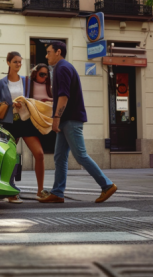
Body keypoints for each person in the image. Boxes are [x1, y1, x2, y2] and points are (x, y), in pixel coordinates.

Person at [37, 41, 118, 204]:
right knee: (60, 157)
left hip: (70, 120)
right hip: (67, 119)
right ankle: (58, 192)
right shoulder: (61, 68)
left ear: (58, 52)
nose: (46, 56)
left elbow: (64, 96)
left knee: (80, 155)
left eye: (49, 52)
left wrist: (56, 119)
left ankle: (107, 185)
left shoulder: (62, 68)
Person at [0, 52, 45, 204]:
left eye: (20, 62)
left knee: (39, 154)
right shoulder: (1, 83)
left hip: (26, 121)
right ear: (8, 63)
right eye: (15, 62)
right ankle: (11, 192)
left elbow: (35, 97)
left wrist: (27, 103)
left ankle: (40, 191)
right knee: (10, 157)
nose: (18, 65)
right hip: (10, 123)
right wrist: (10, 104)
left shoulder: (27, 81)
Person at [29, 64, 53, 198]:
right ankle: (9, 190)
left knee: (40, 155)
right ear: (35, 74)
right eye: (41, 74)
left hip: (42, 122)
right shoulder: (28, 85)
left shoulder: (49, 88)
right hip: (27, 122)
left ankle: (40, 190)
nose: (44, 77)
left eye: (46, 75)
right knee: (12, 155)